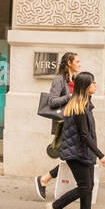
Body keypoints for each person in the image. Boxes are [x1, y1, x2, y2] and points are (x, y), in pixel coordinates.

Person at [45, 71, 105, 209]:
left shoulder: (85, 104)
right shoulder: (79, 108)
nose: (95, 85)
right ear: (85, 87)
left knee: (89, 185)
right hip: (76, 152)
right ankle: (54, 207)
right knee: (84, 186)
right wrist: (101, 155)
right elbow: (84, 136)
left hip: (82, 151)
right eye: (92, 83)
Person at [34, 51, 78, 200]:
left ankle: (47, 180)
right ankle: (44, 179)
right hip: (64, 124)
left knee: (72, 158)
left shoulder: (76, 79)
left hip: (75, 123)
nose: (79, 64)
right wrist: (69, 97)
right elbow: (52, 101)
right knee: (72, 158)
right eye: (77, 61)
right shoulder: (59, 80)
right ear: (69, 63)